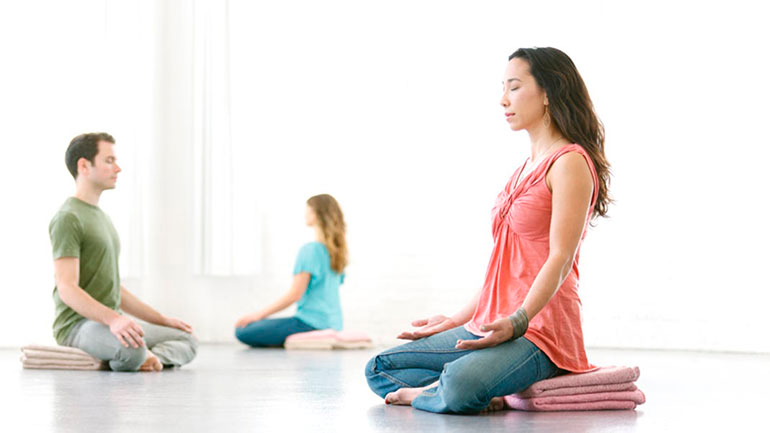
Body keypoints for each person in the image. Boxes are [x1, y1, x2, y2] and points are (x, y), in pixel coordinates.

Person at [365, 47, 613, 414]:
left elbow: (560, 258)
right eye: (503, 88)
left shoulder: (570, 163)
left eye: (514, 87)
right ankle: (482, 388)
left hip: (538, 331)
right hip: (490, 323)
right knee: (380, 368)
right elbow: (505, 267)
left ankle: (444, 391)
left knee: (463, 384)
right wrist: (454, 319)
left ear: (548, 92)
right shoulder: (524, 167)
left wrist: (517, 321)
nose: (503, 100)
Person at [50, 132, 198, 372]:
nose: (117, 168)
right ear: (84, 165)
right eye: (109, 161)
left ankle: (148, 359)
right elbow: (67, 288)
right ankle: (140, 356)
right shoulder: (68, 217)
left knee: (186, 339)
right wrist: (115, 320)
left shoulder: (102, 218)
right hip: (78, 325)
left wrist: (162, 320)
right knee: (132, 350)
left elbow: (114, 288)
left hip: (110, 322)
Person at [234, 194, 348, 347]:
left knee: (242, 331)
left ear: (316, 214)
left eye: (308, 210)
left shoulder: (310, 250)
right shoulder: (337, 253)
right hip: (334, 323)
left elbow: (295, 294)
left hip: (309, 323)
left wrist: (257, 315)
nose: (305, 214)